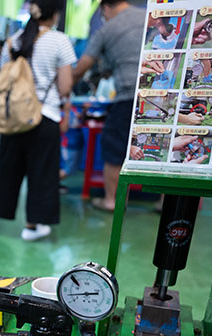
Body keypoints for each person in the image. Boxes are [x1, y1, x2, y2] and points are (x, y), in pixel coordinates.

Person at [0, 0, 76, 241]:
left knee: (7, 169)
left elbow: (3, 80)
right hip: (45, 116)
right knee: (41, 172)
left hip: (14, 117)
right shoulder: (60, 41)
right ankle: (32, 227)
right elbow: (65, 87)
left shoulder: (13, 41)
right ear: (54, 14)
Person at [71, 0, 144, 212]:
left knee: (114, 147)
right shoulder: (149, 18)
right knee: (160, 149)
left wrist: (65, 87)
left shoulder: (106, 29)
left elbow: (82, 67)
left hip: (128, 96)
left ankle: (111, 200)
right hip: (159, 95)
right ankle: (162, 202)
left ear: (105, 8)